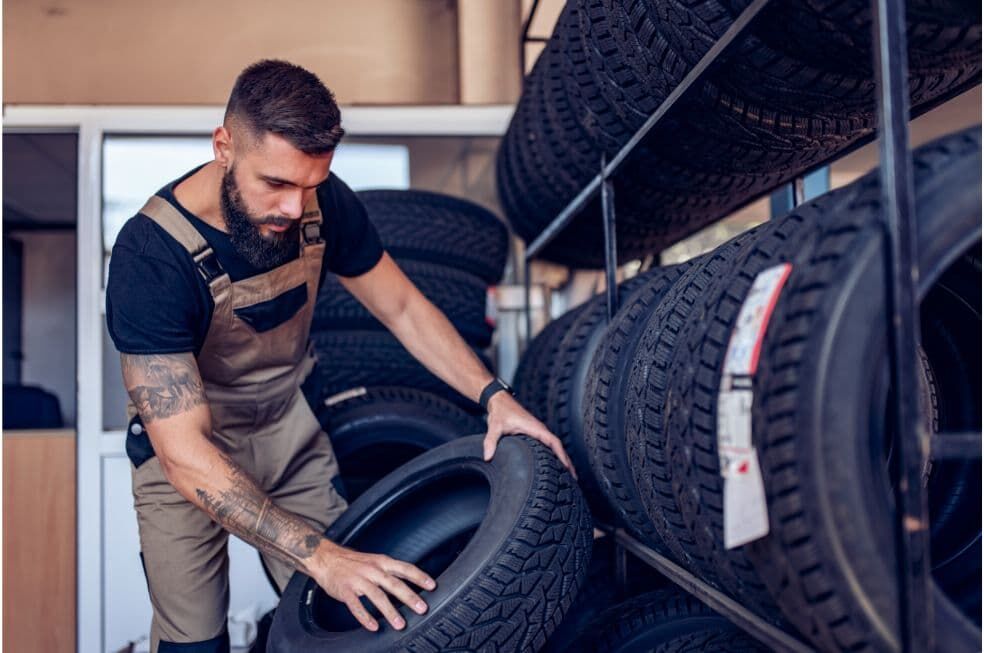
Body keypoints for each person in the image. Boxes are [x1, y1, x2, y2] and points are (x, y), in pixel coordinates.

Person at [106, 59, 576, 653]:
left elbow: (402, 308)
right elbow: (184, 454)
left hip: (289, 432)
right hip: (187, 457)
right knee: (194, 640)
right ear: (223, 146)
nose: (293, 207)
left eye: (310, 185)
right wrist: (319, 555)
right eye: (274, 184)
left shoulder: (323, 204)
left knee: (347, 617)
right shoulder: (151, 256)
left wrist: (495, 397)